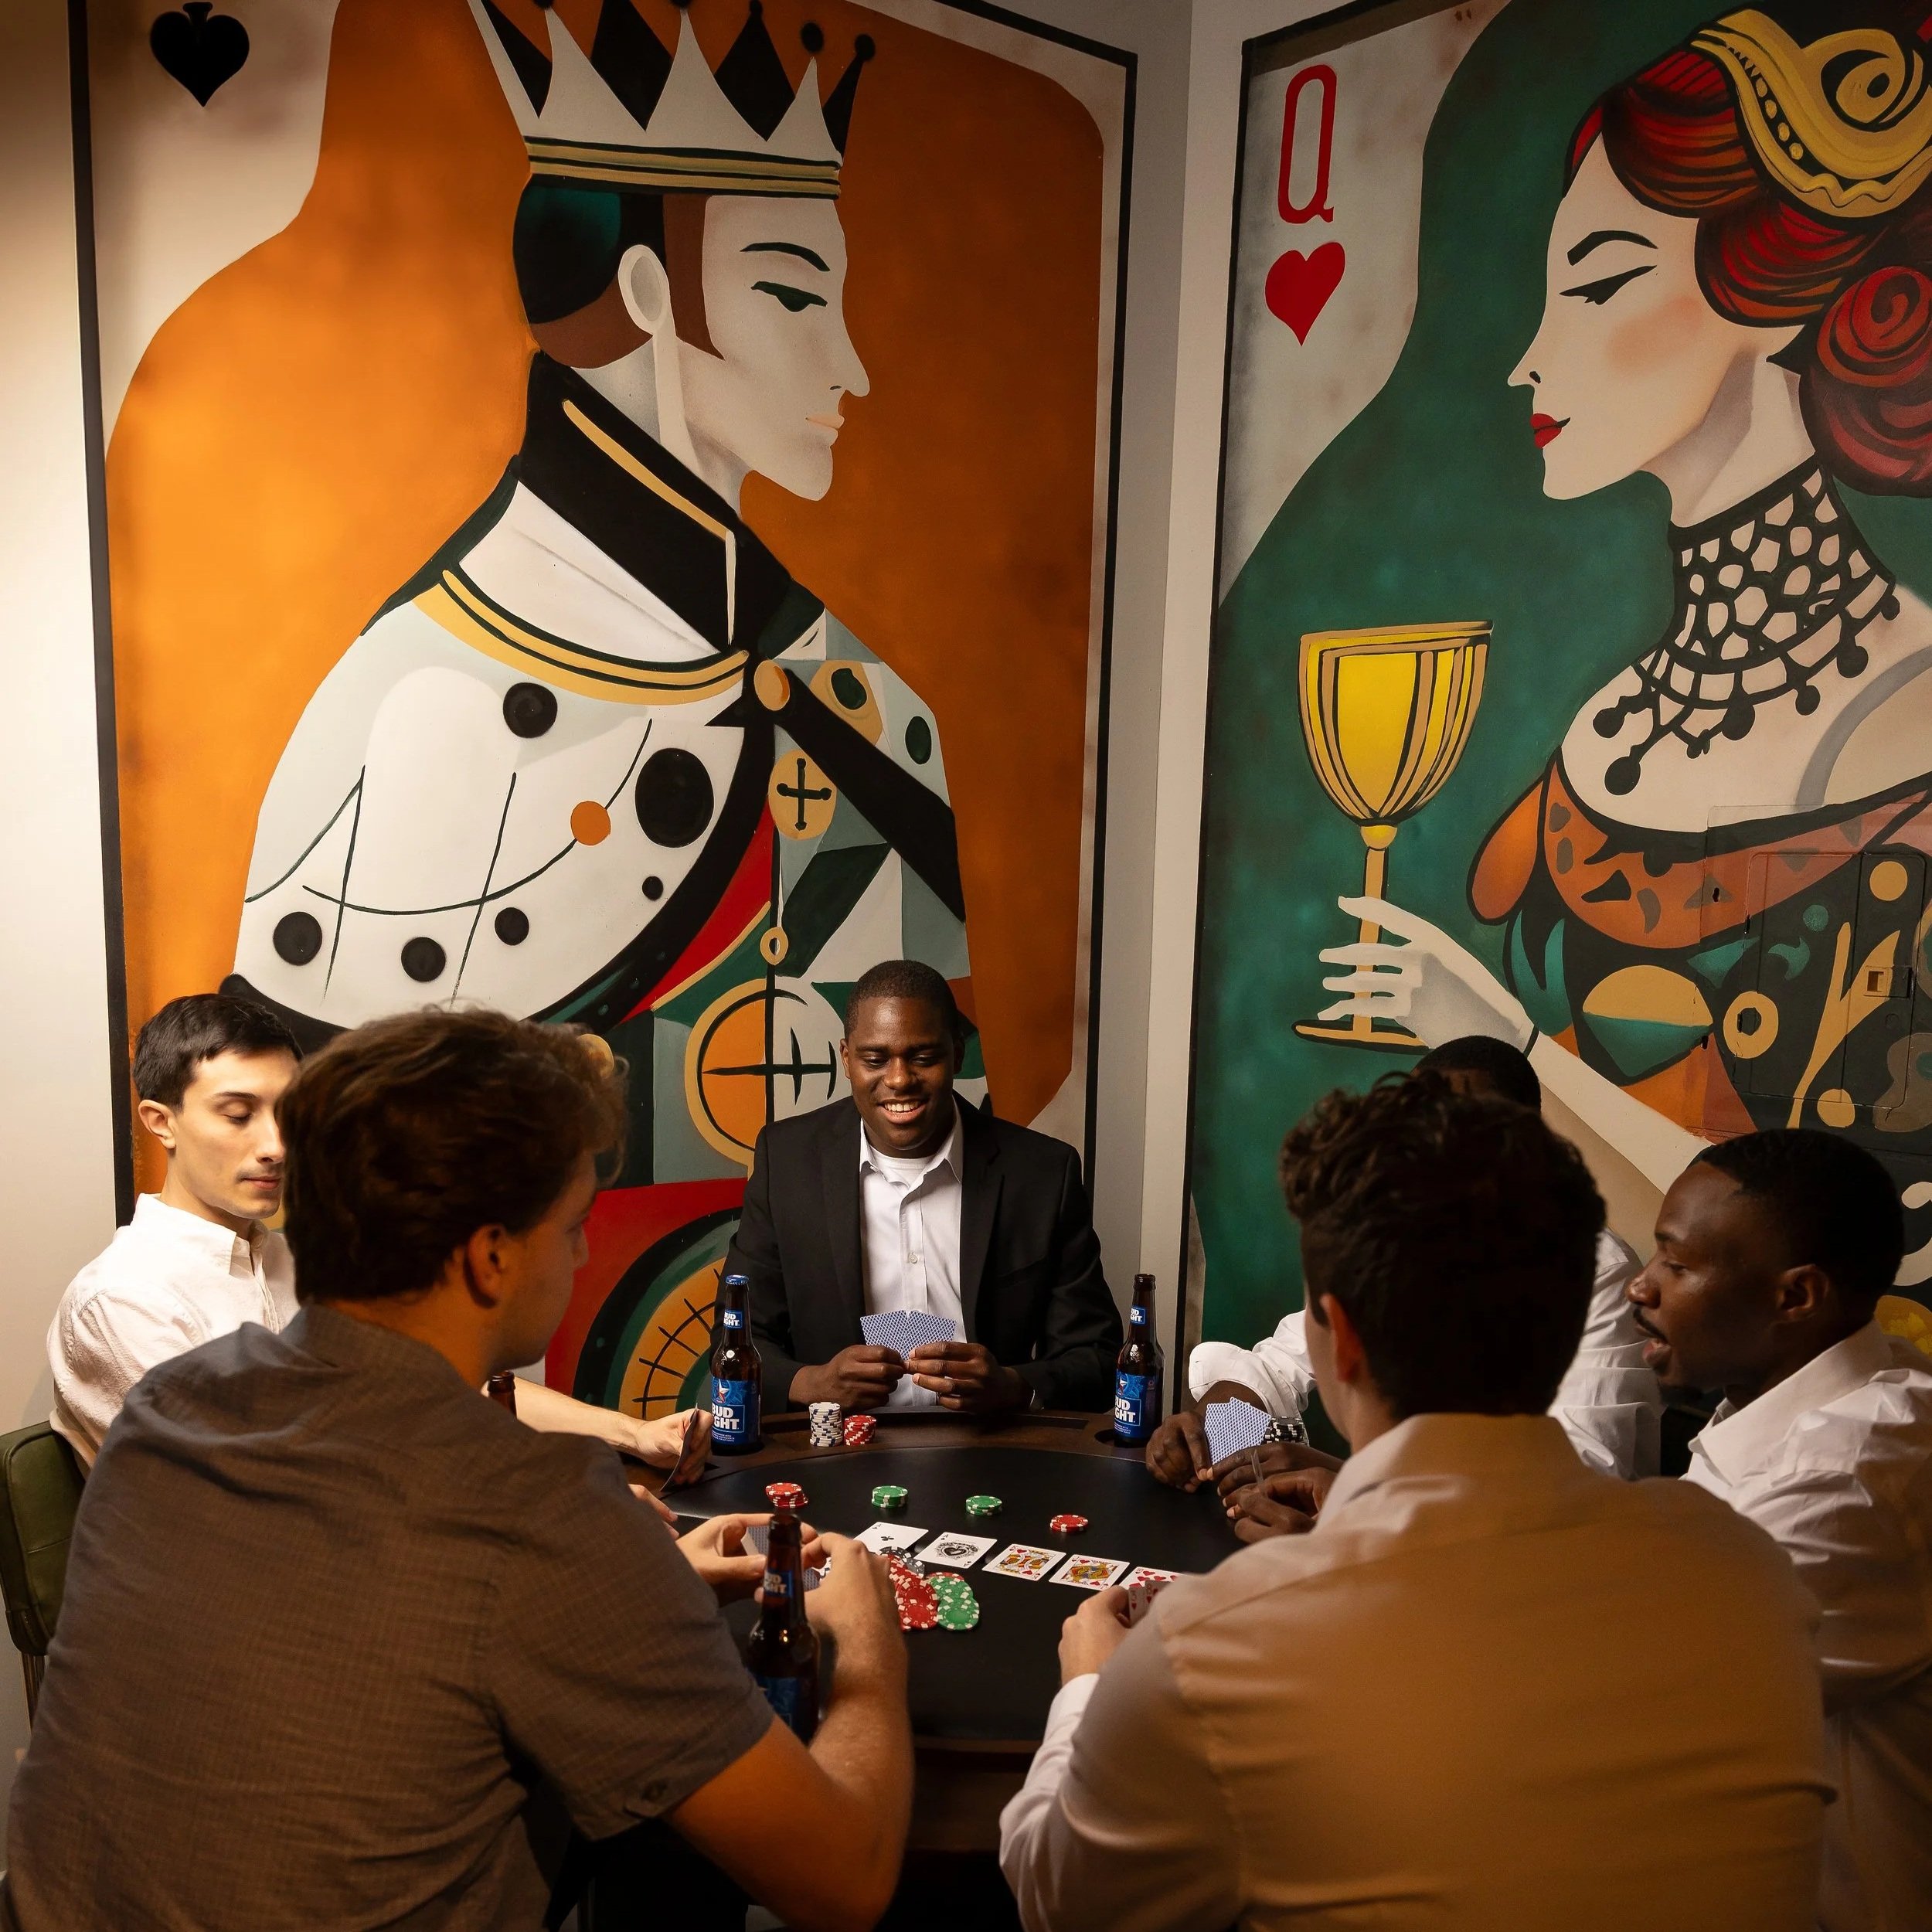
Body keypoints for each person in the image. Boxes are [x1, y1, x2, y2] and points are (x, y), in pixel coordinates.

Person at [222, 0, 982, 1401]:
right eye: (796, 296)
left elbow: (928, 1179)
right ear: (643, 293)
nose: (853, 366)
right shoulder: (410, 703)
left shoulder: (867, 707)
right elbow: (323, 1252)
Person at [3, 1007, 911, 1932]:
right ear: (490, 1258)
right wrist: (864, 1638)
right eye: (572, 1225)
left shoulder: (167, 1406)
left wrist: (639, 1584)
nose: (582, 1252)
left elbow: (376, 1610)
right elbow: (842, 1880)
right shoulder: (547, 1511)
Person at [1310, 5, 1932, 1284]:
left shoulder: (1904, 716)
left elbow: (1835, 1251)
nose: (1531, 361)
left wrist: (1498, 1039)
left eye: (1597, 285)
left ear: (1775, 300)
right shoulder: (1604, 721)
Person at [1000, 1075, 1829, 1932]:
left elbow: (1060, 1900)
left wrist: (1090, 1683)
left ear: (1343, 1336)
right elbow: (1266, 1373)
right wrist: (1242, 1437)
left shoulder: (1208, 1648)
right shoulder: (1752, 1573)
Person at [47, 992, 706, 1477]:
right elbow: (253, 1498)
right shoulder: (124, 1301)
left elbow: (436, 1377)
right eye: (239, 1115)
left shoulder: (292, 1260)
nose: (277, 1145)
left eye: (289, 1112)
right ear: (160, 1121)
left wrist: (632, 1434)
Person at [1628, 1129, 1932, 1932]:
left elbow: (1628, 1677)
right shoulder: (1805, 1401)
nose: (1640, 1284)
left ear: (1795, 1298)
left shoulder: (1851, 1470)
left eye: (1676, 1265)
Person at [1146, 1036, 1662, 1492]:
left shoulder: (1596, 1269)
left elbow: (1582, 1475)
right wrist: (1212, 1444)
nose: (1434, 1146)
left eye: (1464, 1129)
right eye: (1418, 1125)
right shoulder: (1395, 1234)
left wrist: (1348, 1487)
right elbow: (1280, 1369)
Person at [729, 958, 1121, 1413]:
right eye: (875, 1060)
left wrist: (1014, 1386)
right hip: (838, 1445)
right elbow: (737, 1336)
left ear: (957, 1053)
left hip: (991, 1444)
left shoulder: (1042, 1174)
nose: (899, 1080)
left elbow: (1098, 1357)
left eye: (923, 1057)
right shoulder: (787, 1163)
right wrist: (811, 1383)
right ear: (847, 1059)